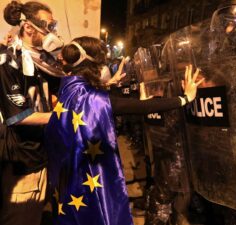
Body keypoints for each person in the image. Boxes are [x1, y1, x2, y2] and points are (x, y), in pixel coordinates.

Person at [45, 36, 203, 225]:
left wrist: (108, 84)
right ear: (95, 64)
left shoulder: (69, 89)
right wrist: (185, 98)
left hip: (69, 175)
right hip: (89, 177)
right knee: (98, 213)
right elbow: (137, 107)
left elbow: (93, 95)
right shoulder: (94, 99)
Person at [0, 1, 65, 225]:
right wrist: (64, 118)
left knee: (36, 213)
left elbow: (56, 94)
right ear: (29, 28)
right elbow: (18, 116)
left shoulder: (45, 61)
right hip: (23, 159)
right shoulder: (9, 60)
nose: (53, 32)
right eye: (49, 25)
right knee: (20, 218)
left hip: (44, 152)